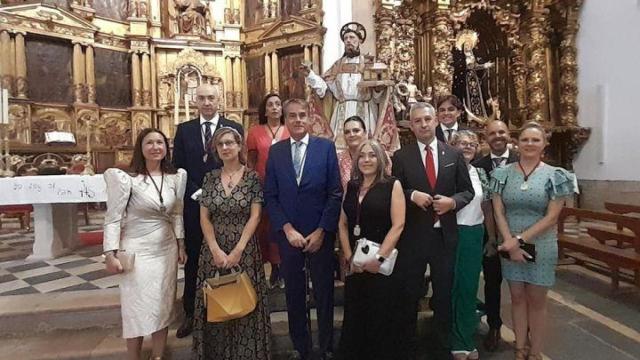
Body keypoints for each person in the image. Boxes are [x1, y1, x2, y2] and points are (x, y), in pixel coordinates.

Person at [391, 102, 474, 360]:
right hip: (413, 238)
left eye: (428, 119)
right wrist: (411, 194)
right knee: (409, 293)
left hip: (443, 236)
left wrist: (453, 203)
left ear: (436, 121)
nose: (424, 124)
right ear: (411, 125)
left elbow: (467, 191)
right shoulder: (401, 157)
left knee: (444, 292)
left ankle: (441, 345)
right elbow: (393, 189)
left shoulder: (453, 155)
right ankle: (406, 346)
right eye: (418, 121)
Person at [490, 122, 578, 360]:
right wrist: (509, 241)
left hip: (541, 243)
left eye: (535, 140)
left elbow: (551, 217)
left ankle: (536, 352)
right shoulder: (502, 173)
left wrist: (519, 240)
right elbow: (498, 211)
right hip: (509, 241)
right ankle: (520, 348)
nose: (529, 144)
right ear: (516, 143)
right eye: (525, 139)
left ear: (544, 144)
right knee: (517, 298)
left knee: (537, 301)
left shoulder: (556, 175)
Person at [264, 98, 342, 360]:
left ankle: (327, 346)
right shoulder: (276, 152)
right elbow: (271, 196)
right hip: (290, 235)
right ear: (285, 119)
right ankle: (302, 347)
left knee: (324, 292)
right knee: (294, 293)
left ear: (310, 118)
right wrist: (286, 229)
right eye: (292, 116)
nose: (298, 120)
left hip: (319, 233)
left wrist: (322, 230)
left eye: (302, 115)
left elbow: (335, 193)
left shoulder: (326, 148)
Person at [103, 128, 187, 360]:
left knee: (162, 303)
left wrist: (181, 244)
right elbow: (113, 218)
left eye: (160, 142)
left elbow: (177, 214)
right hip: (137, 249)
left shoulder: (175, 178)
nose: (155, 147)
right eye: (149, 142)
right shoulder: (127, 179)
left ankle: (158, 356)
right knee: (135, 307)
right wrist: (110, 253)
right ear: (141, 148)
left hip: (166, 249)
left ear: (166, 148)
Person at [192, 127, 271, 359]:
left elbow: (255, 216)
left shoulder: (252, 177)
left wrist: (238, 250)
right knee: (217, 302)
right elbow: (204, 218)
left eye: (229, 143)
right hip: (213, 249)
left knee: (244, 301)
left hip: (244, 249)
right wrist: (215, 249)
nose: (225, 148)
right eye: (220, 144)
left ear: (239, 146)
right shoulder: (209, 178)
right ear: (216, 150)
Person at [172, 83, 244, 338]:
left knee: (227, 256)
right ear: (195, 101)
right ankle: (192, 312)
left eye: (211, 98)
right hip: (195, 205)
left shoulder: (234, 128)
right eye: (201, 98)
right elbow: (178, 167)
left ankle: (231, 309)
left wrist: (224, 193)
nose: (207, 102)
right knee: (194, 259)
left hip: (228, 206)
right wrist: (199, 193)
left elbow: (239, 165)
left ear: (219, 100)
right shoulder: (184, 130)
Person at [337, 140, 406, 360]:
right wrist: (349, 257)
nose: (367, 160)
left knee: (379, 318)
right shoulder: (352, 185)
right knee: (356, 318)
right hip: (356, 265)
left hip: (379, 264)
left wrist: (379, 257)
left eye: (372, 155)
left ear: (381, 159)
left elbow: (399, 224)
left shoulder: (391, 184)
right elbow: (342, 223)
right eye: (362, 156)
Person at [471, 120, 518, 351]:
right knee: (491, 283)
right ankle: (494, 326)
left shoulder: (522, 161)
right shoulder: (478, 165)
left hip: (520, 233)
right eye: (492, 133)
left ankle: (525, 331)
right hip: (489, 236)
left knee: (521, 285)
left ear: (508, 135)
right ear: (486, 137)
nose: (497, 136)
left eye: (501, 132)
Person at [301, 22, 386, 147]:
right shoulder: (337, 65)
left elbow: (377, 95)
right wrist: (310, 75)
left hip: (365, 111)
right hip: (341, 111)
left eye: (352, 38)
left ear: (359, 40)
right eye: (346, 38)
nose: (348, 41)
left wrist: (379, 89)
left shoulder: (369, 63)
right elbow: (324, 89)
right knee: (339, 150)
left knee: (366, 148)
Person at [449, 130, 493, 360]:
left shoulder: (480, 174)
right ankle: (455, 340)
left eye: (471, 144)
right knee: (452, 288)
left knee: (468, 288)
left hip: (475, 232)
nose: (467, 147)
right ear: (452, 146)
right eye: (462, 143)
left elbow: (486, 207)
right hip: (452, 233)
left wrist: (492, 237)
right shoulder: (446, 172)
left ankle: (465, 337)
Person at [247, 93, 290, 288]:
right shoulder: (255, 132)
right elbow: (251, 162)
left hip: (286, 186)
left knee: (281, 226)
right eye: (270, 104)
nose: (274, 107)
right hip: (262, 186)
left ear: (282, 109)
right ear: (265, 110)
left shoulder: (290, 129)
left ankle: (283, 267)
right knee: (264, 228)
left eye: (278, 104)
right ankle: (270, 267)